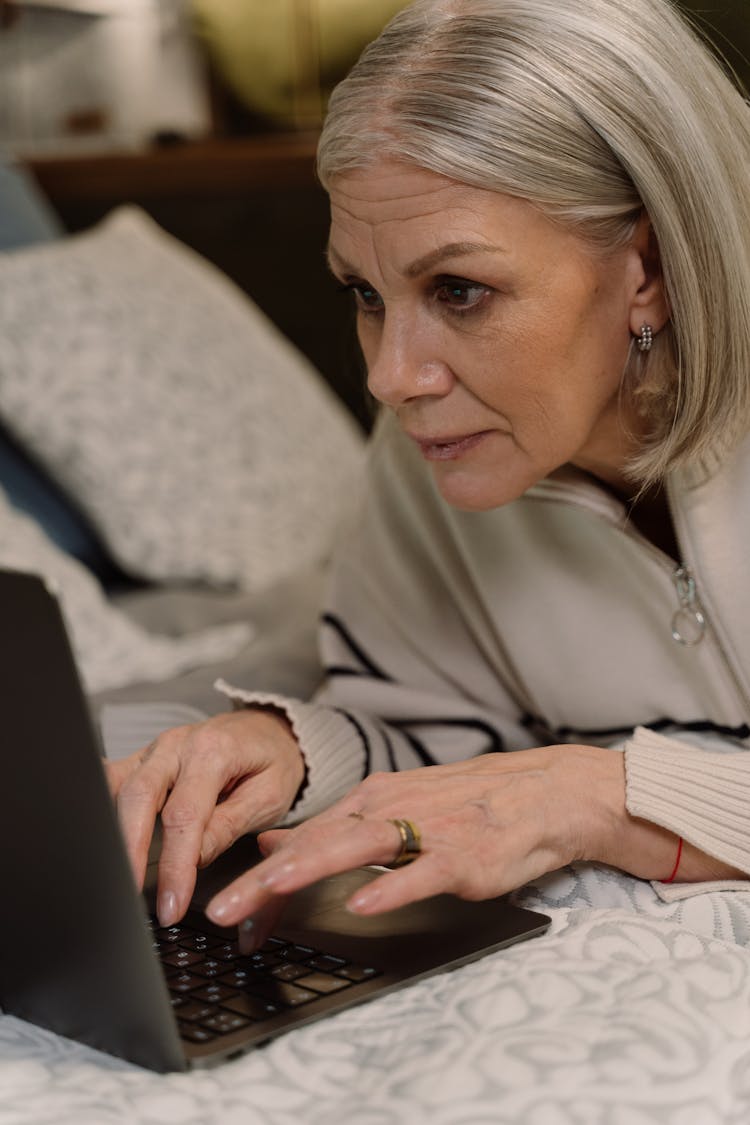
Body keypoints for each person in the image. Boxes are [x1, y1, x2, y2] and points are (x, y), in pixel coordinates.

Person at [108, 0, 750, 949]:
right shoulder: (441, 444)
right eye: (366, 293)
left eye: (460, 290)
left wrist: (606, 795)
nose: (390, 376)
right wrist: (289, 753)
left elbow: (544, 788)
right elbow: (441, 735)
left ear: (645, 268)